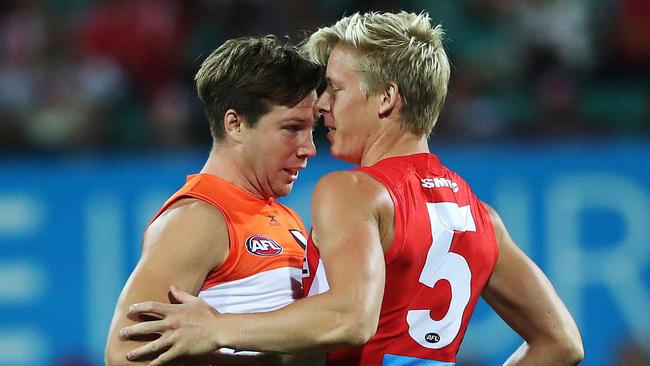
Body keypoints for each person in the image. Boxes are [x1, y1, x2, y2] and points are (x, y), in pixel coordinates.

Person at [119, 11, 585, 365]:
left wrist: (219, 328)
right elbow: (562, 342)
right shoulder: (481, 215)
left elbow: (350, 319)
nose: (323, 105)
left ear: (386, 99)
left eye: (336, 89)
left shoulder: (354, 192)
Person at [104, 35, 322, 365]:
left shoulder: (286, 217)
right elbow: (124, 356)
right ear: (235, 124)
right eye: (292, 128)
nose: (309, 148)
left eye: (311, 128)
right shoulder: (198, 218)